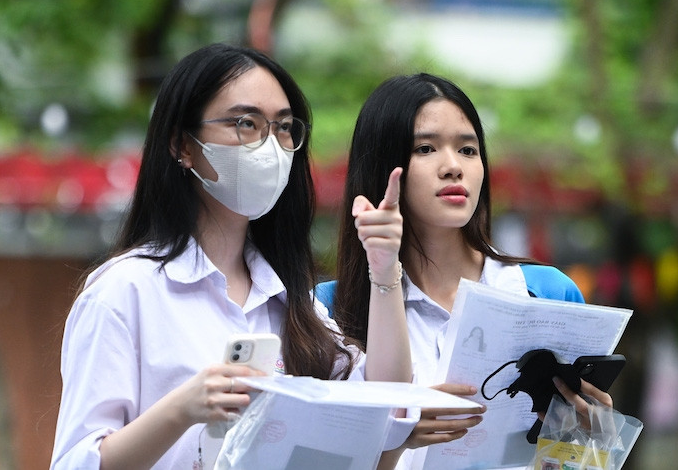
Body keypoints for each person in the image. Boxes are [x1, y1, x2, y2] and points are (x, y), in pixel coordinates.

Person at [51, 44, 411, 470]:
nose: (271, 146)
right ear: (182, 145)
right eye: (245, 123)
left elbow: (383, 411)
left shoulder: (291, 299)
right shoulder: (123, 292)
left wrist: (385, 271)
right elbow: (76, 462)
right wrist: (181, 409)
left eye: (282, 127)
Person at [317, 73, 612, 468]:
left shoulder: (548, 292)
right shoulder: (328, 310)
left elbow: (582, 460)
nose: (453, 167)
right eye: (425, 148)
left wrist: (592, 437)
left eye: (468, 150)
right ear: (382, 165)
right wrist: (397, 438)